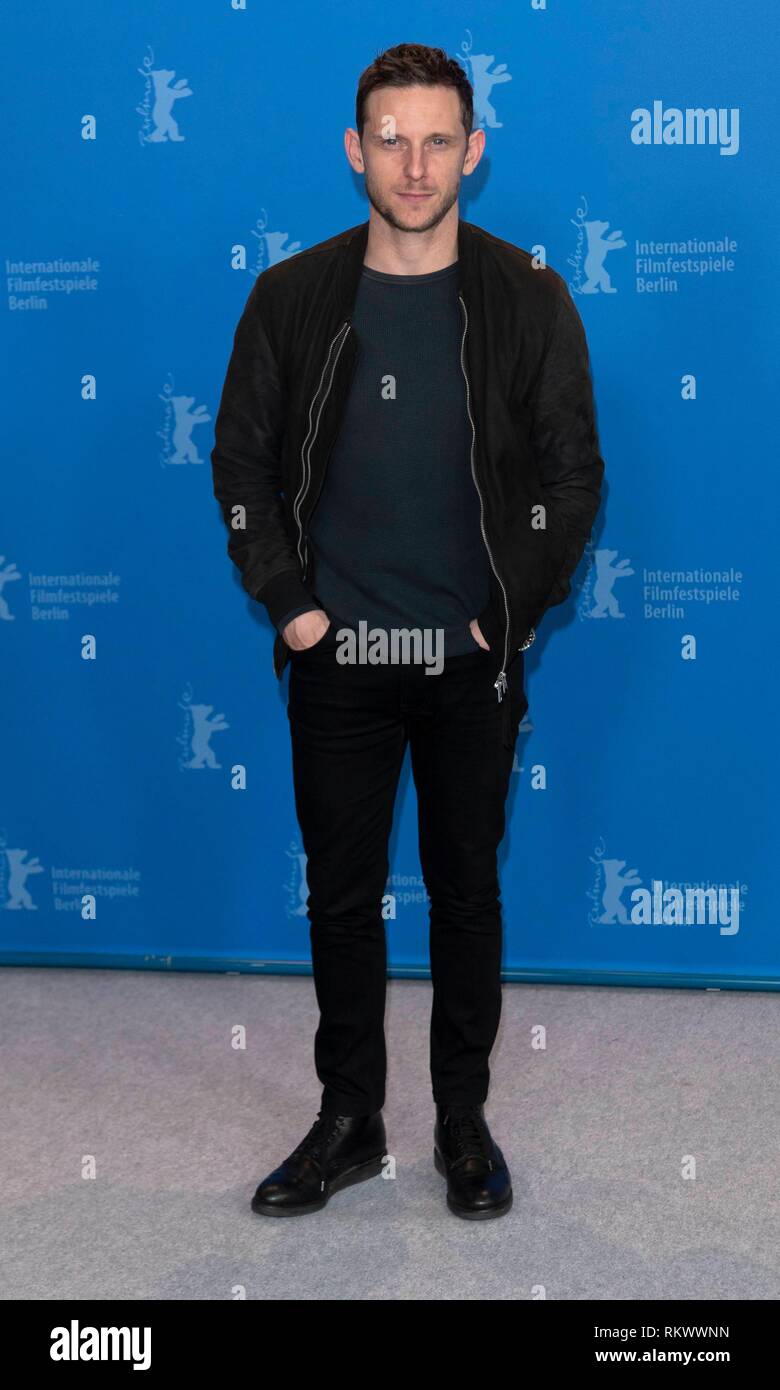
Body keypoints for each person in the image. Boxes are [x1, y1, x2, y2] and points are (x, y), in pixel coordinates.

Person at [210, 42, 605, 1220]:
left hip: (467, 658)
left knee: (465, 887)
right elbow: (241, 461)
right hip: (340, 656)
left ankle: (463, 1121)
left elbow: (572, 478)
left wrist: (504, 616)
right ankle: (348, 1117)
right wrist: (294, 605)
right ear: (355, 149)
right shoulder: (292, 297)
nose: (415, 163)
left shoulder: (528, 294)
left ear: (473, 152)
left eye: (439, 140)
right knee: (340, 895)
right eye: (392, 138)